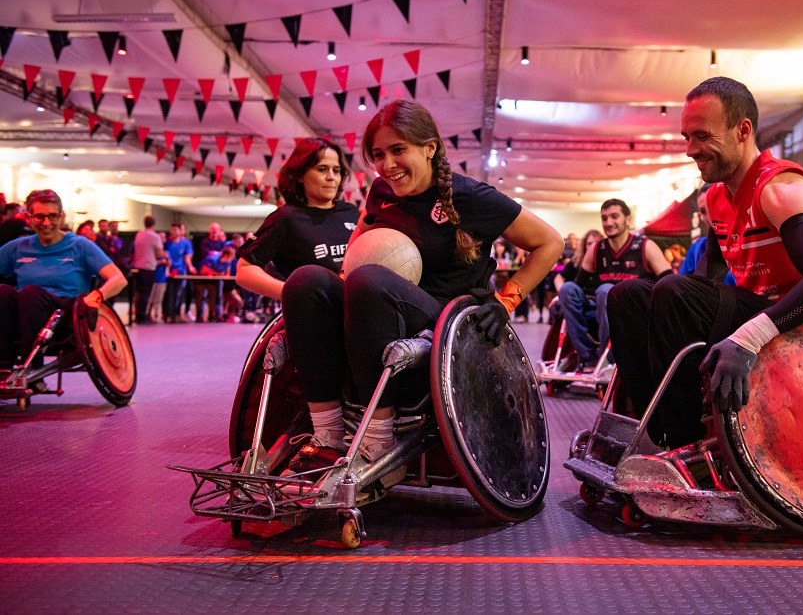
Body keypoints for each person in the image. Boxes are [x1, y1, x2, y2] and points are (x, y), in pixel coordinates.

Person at [607, 77, 803, 450]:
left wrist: (746, 338)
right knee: (626, 294)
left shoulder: (780, 188)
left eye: (702, 136)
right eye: (686, 137)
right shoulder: (718, 199)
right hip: (755, 312)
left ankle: (683, 443)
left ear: (743, 130)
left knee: (673, 289)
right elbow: (710, 284)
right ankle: (653, 431)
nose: (691, 149)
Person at [343, 99, 562, 476]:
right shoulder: (380, 191)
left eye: (398, 150)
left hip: (442, 322)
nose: (387, 165)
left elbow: (550, 243)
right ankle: (327, 429)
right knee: (307, 281)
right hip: (378, 307)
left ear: (430, 148)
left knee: (368, 280)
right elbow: (361, 237)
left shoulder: (470, 198)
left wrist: (506, 299)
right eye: (378, 154)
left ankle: (379, 441)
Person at [234, 137, 360, 472]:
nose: (332, 177)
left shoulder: (352, 214)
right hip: (314, 317)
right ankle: (328, 428)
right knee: (309, 284)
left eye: (336, 170)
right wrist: (292, 292)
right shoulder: (286, 219)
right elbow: (244, 272)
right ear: (300, 175)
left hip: (359, 308)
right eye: (322, 169)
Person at [0, 189, 127, 371]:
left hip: (63, 315)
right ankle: (3, 366)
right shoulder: (18, 247)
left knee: (30, 293)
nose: (46, 223)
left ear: (61, 216)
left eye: (52, 216)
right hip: (23, 313)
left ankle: (31, 369)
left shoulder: (79, 245)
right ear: (29, 217)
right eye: (39, 217)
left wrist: (97, 296)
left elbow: (119, 279)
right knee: (3, 292)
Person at [557, 198, 669, 370]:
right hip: (602, 306)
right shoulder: (596, 248)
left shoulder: (646, 246)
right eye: (604, 218)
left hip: (634, 311)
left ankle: (607, 358)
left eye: (614, 216)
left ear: (628, 219)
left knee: (606, 290)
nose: (608, 222)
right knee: (567, 289)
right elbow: (578, 284)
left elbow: (669, 282)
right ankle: (587, 356)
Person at [678, 184, 736, 285]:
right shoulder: (697, 248)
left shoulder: (747, 241)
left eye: (714, 206)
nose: (710, 216)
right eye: (704, 211)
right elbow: (680, 287)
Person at [131, 215, 166, 325]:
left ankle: (138, 314)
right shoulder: (155, 236)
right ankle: (142, 316)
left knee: (139, 292)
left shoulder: (139, 234)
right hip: (149, 267)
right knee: (146, 293)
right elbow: (160, 254)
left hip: (138, 267)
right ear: (154, 225)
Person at [163, 223, 197, 323]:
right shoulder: (166, 243)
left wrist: (190, 267)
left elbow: (187, 257)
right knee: (169, 294)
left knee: (178, 294)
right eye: (171, 229)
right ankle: (168, 315)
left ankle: (176, 314)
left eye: (175, 230)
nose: (173, 232)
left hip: (181, 272)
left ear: (180, 231)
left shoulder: (186, 243)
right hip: (168, 273)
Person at [195, 246, 236, 322]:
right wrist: (217, 273)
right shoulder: (212, 259)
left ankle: (212, 315)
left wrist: (219, 274)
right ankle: (199, 316)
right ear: (226, 255)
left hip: (213, 280)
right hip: (201, 278)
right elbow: (203, 271)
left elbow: (227, 274)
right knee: (201, 296)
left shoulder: (228, 262)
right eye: (232, 256)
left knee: (213, 297)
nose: (233, 258)